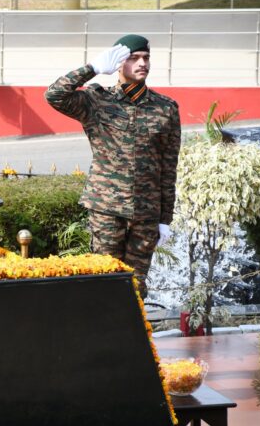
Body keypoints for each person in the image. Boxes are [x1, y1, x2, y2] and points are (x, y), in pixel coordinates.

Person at [44, 34, 181, 299]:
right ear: (119, 63)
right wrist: (92, 69)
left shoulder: (165, 108)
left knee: (137, 285)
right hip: (106, 208)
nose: (142, 63)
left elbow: (168, 167)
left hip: (146, 212)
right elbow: (54, 95)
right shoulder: (97, 101)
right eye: (133, 58)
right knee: (105, 279)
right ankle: (103, 339)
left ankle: (133, 339)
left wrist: (165, 219)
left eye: (146, 58)